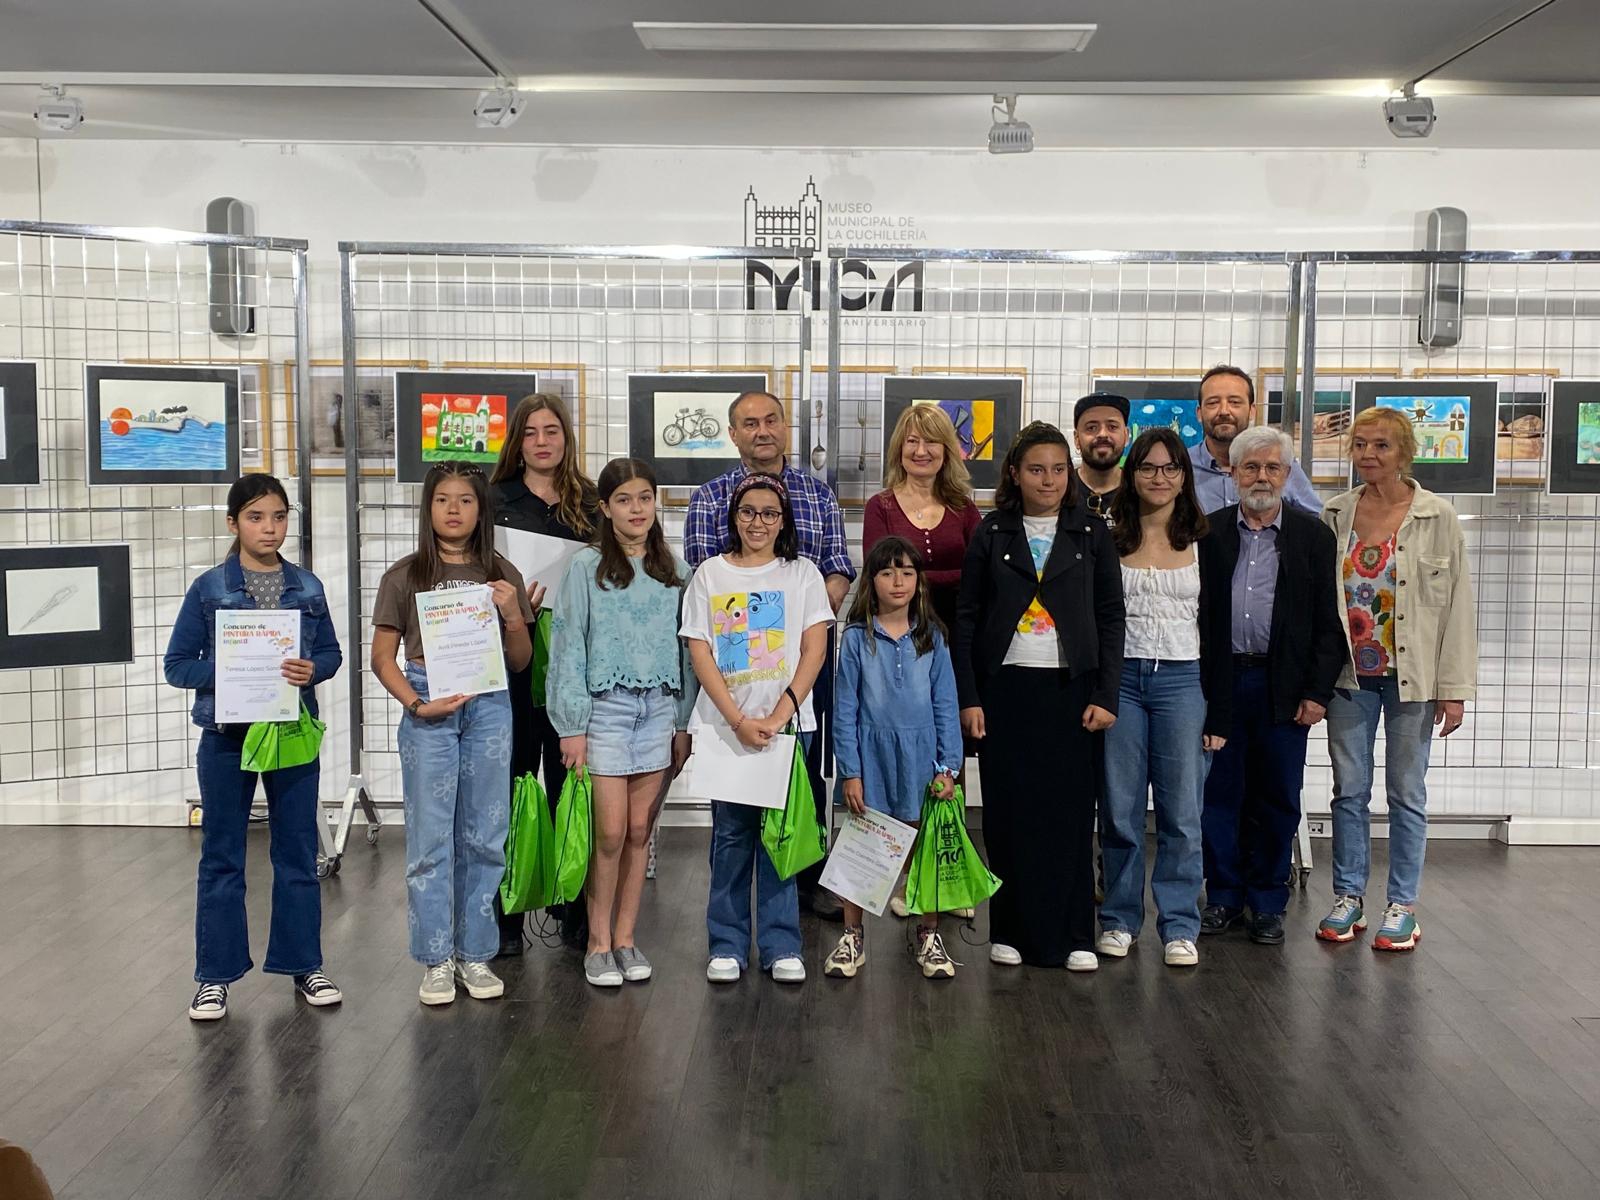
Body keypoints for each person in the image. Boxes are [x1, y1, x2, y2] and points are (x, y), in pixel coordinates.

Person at [163, 474, 345, 1022]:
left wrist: (313, 669)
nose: (270, 528)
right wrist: (230, 672)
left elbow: (332, 654)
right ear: (233, 523)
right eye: (256, 517)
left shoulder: (307, 587)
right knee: (222, 856)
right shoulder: (209, 588)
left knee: (297, 852)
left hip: (291, 734)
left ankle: (305, 965)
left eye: (279, 517)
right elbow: (177, 666)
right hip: (226, 738)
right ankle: (213, 978)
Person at [955, 422, 1125, 972]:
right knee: (1007, 813)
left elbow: (1111, 617)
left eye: (1057, 469)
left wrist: (1107, 693)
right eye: (1035, 470)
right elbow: (966, 618)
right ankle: (1009, 930)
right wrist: (969, 696)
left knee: (1071, 814)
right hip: (1005, 689)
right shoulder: (992, 532)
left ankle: (1075, 935)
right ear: (1014, 474)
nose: (1048, 480)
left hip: (1073, 690)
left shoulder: (1091, 533)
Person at [684, 390, 855, 919]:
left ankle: (806, 877)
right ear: (733, 434)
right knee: (734, 808)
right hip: (733, 673)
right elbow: (708, 578)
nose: (762, 430)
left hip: (802, 661)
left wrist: (810, 610)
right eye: (749, 422)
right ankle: (731, 912)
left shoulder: (818, 494)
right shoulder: (710, 497)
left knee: (803, 776)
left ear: (785, 426)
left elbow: (838, 564)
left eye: (771, 420)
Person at [371, 461, 534, 1005]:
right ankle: (436, 958)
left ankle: (476, 953)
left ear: (482, 509)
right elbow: (382, 657)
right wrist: (417, 704)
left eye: (466, 500)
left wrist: (513, 616)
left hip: (489, 704)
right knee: (430, 838)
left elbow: (519, 660)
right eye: (443, 500)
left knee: (486, 834)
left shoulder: (501, 572)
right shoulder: (405, 575)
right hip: (429, 704)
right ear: (428, 508)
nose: (454, 510)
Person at [1316, 407, 1476, 951]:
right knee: (1349, 791)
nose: (1368, 454)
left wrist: (1454, 690)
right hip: (1348, 677)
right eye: (1360, 444)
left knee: (1406, 792)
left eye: (1381, 445)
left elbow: (1457, 608)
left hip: (1414, 678)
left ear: (1404, 452)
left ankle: (1402, 905)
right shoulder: (1334, 513)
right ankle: (1348, 897)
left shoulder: (1437, 517)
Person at [547, 458, 696, 988]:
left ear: (656, 503)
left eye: (645, 498)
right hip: (604, 713)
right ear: (606, 508)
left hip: (658, 712)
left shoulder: (677, 573)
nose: (637, 509)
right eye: (625, 500)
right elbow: (568, 645)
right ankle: (597, 942)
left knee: (638, 832)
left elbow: (688, 654)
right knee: (608, 833)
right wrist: (572, 726)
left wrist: (683, 722)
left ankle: (627, 939)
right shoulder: (585, 569)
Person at [681, 473, 834, 984]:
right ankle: (725, 944)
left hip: (788, 728)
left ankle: (781, 942)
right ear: (733, 517)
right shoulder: (710, 574)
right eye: (748, 512)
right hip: (726, 729)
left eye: (770, 513)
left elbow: (815, 649)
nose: (758, 522)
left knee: (780, 835)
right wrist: (738, 720)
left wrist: (779, 714)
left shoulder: (803, 574)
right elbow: (700, 650)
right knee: (730, 836)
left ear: (783, 521)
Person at [1198, 428, 1345, 945]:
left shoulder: (1312, 536)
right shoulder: (1208, 532)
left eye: (1272, 468)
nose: (1261, 477)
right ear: (1233, 473)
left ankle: (1266, 902)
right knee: (1219, 795)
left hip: (1282, 686)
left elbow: (1329, 623)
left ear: (1287, 474)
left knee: (1278, 797)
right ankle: (1222, 896)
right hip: (1220, 683)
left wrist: (1317, 693)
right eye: (1251, 467)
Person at [1098, 430, 1230, 968]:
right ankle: (1118, 919)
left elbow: (1219, 631)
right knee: (1120, 810)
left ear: (1184, 476)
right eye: (1148, 468)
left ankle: (1178, 925)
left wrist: (1219, 712)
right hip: (1123, 682)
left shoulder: (1207, 541)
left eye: (1170, 468)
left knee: (1182, 812)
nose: (1159, 477)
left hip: (1183, 681)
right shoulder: (1109, 539)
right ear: (1131, 476)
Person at [824, 536, 963, 981]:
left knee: (924, 851)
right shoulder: (856, 638)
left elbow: (946, 705)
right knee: (862, 848)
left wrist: (949, 767)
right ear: (872, 581)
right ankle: (852, 937)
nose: (898, 581)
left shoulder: (933, 637)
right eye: (887, 572)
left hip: (922, 761)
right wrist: (851, 771)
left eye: (906, 572)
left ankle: (928, 934)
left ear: (919, 580)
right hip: (872, 759)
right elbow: (845, 709)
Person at [489, 391, 598, 957]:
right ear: (517, 440)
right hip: (507, 664)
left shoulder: (591, 502)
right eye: (530, 432)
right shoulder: (493, 500)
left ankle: (571, 910)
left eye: (551, 430)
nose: (541, 441)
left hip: (572, 664)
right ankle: (507, 915)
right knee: (510, 786)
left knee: (569, 788)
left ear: (566, 436)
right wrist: (506, 605)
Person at [862, 403, 980, 634]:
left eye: (931, 441)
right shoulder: (879, 507)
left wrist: (912, 576)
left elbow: (982, 571)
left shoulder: (964, 508)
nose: (920, 451)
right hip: (898, 633)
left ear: (947, 450)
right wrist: (957, 576)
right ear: (899, 448)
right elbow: (879, 574)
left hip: (961, 632)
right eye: (912, 441)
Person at [1191, 365, 1321, 515]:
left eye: (1235, 402)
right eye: (1213, 403)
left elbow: (1314, 520)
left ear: (1252, 411)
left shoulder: (1280, 463)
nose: (1224, 411)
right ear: (1199, 413)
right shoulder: (1181, 467)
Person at [1073, 392, 1131, 524]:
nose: (1102, 434)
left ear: (1126, 435)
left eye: (1112, 427)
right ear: (1076, 439)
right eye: (1091, 428)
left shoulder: (1140, 492)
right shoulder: (1060, 491)